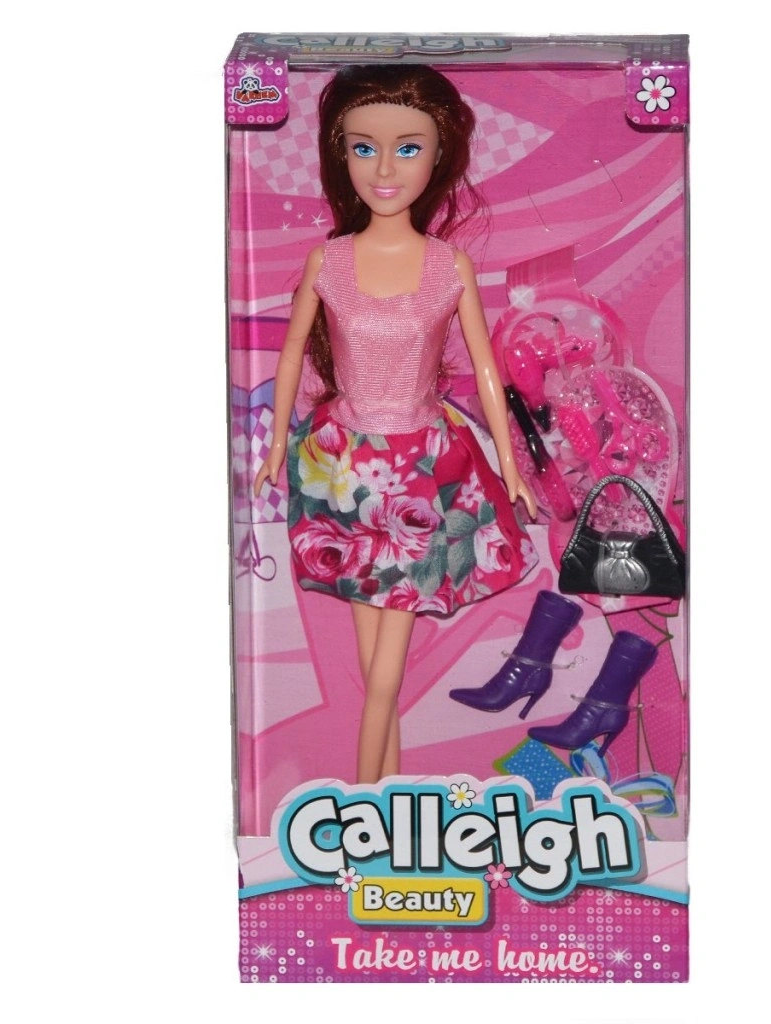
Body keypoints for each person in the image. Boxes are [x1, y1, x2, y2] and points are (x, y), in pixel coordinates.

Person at [254, 65, 538, 783]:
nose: (384, 170)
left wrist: (508, 465)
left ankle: (362, 801)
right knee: (367, 659)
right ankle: (386, 797)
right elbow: (291, 354)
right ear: (340, 153)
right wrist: (274, 445)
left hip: (422, 474)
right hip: (341, 467)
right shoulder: (329, 260)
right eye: (364, 148)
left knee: (384, 675)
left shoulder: (449, 265)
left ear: (439, 156)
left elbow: (485, 371)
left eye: (408, 148)